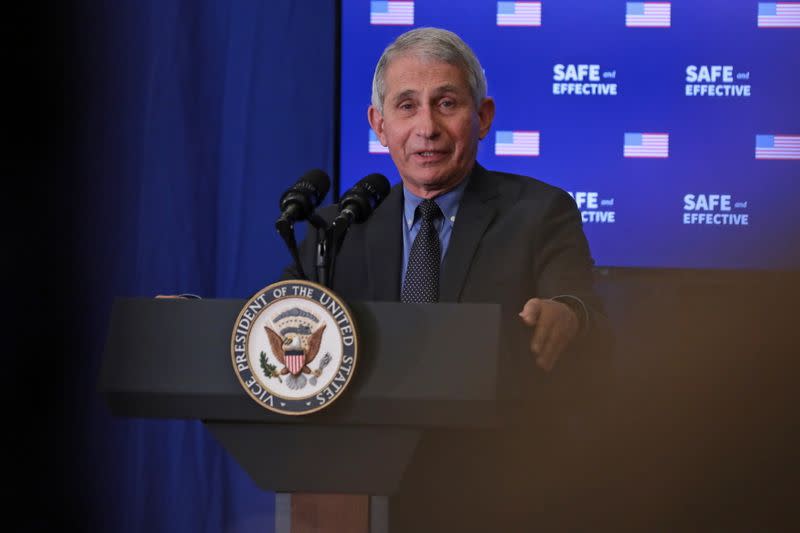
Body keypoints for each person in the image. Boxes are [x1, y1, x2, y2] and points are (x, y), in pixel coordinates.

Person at [285, 27, 613, 531]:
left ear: (482, 118)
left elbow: (584, 309)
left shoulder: (540, 212)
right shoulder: (337, 232)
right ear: (379, 125)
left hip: (501, 489)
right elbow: (275, 314)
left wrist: (567, 315)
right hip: (365, 493)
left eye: (446, 103)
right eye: (407, 106)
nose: (427, 127)